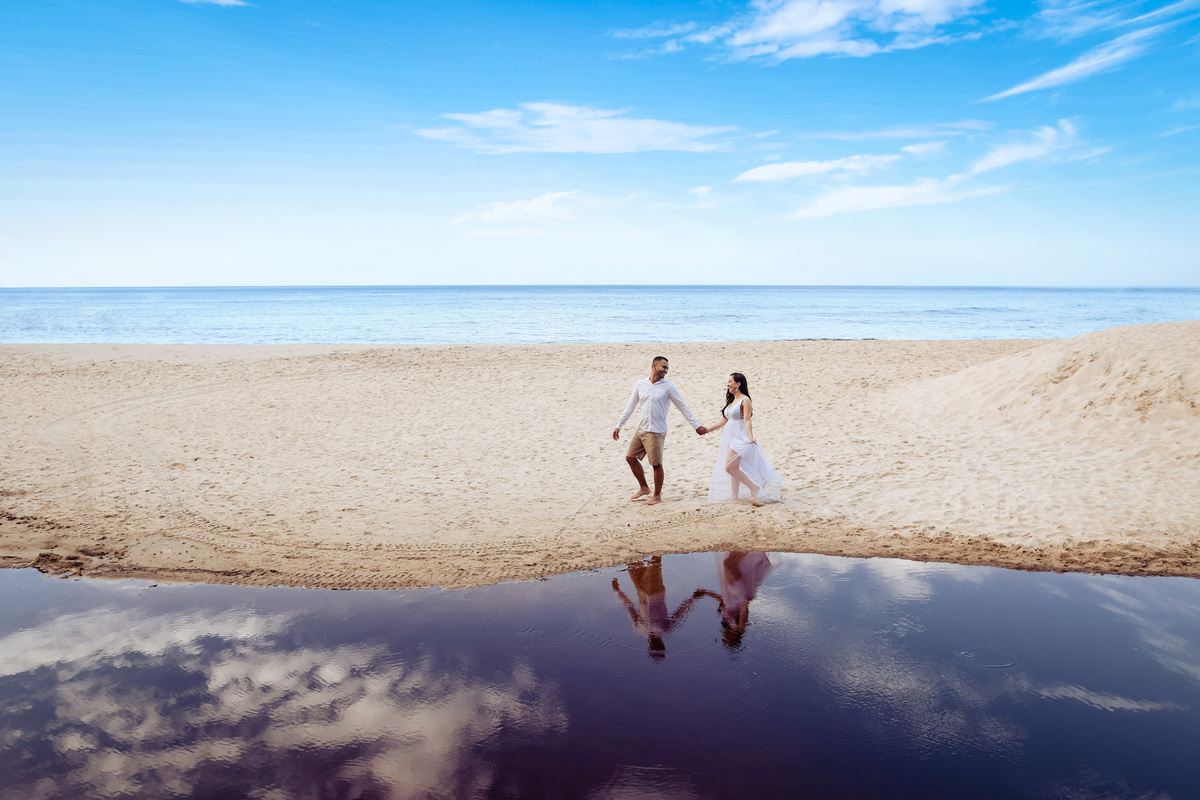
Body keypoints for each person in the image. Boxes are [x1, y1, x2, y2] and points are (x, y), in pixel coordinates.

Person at [612, 356, 707, 506]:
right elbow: (630, 406)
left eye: (667, 368)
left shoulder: (668, 387)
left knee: (656, 464)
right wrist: (619, 425)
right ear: (654, 366)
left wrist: (696, 426)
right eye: (663, 367)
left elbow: (682, 406)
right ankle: (644, 488)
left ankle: (657, 496)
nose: (666, 371)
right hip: (641, 428)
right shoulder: (640, 384)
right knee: (630, 458)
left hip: (656, 432)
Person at [704, 372, 783, 505]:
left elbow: (747, 420)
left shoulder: (745, 400)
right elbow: (724, 420)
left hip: (740, 436)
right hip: (730, 436)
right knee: (733, 466)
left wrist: (750, 437)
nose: (728, 384)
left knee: (729, 467)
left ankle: (754, 487)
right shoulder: (732, 401)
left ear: (738, 384)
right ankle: (734, 495)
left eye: (730, 381)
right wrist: (707, 429)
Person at [611, 556, 703, 660]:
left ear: (650, 646)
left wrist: (618, 591)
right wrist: (693, 598)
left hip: (639, 588)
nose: (656, 644)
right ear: (663, 644)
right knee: (655, 559)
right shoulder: (666, 629)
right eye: (659, 646)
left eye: (655, 647)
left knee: (632, 557)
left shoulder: (639, 629)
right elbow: (680, 612)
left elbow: (629, 608)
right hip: (654, 590)